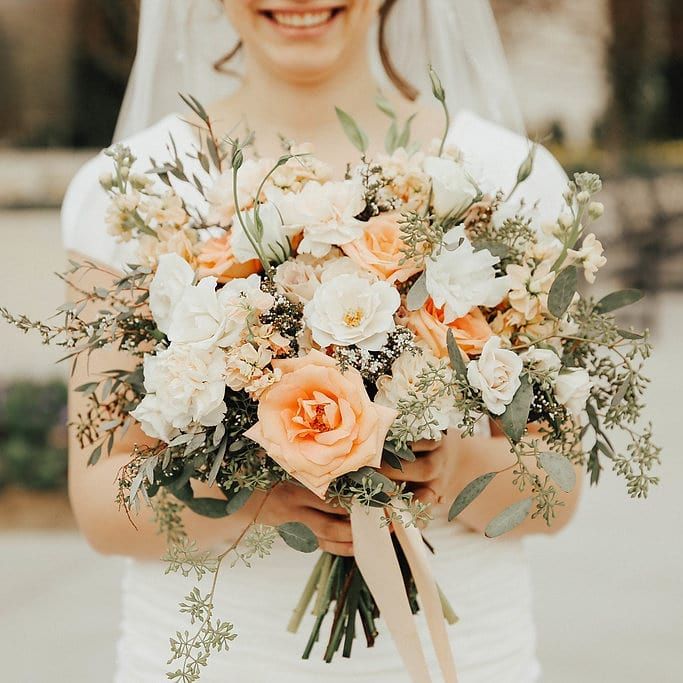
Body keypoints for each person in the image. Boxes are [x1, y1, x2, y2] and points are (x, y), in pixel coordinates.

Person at [62, 1, 580, 680]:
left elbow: (557, 490)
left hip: (461, 653)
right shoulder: (128, 187)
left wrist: (446, 466)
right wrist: (250, 498)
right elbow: (102, 503)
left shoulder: (507, 175)